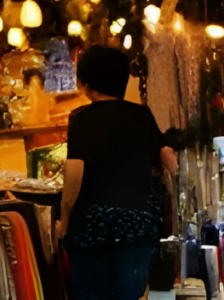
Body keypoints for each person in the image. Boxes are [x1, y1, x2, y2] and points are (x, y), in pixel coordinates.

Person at [59, 45, 178, 300]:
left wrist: (65, 218)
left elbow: (74, 172)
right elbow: (168, 159)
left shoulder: (81, 118)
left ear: (87, 83)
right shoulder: (141, 115)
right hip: (136, 224)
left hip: (92, 226)